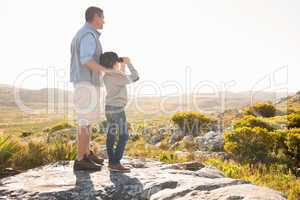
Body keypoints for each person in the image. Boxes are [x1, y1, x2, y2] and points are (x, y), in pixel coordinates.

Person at [70, 6, 107, 171]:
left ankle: (86, 154)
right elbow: (86, 60)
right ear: (95, 17)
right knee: (84, 121)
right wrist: (107, 70)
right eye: (103, 17)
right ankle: (80, 159)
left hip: (86, 83)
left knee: (87, 121)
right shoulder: (88, 35)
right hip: (86, 84)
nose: (104, 21)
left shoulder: (84, 33)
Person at [100, 52, 139, 173]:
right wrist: (129, 63)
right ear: (113, 62)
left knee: (111, 135)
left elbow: (121, 77)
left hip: (109, 108)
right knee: (123, 136)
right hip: (117, 110)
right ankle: (116, 163)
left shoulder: (107, 75)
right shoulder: (117, 76)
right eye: (117, 61)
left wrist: (123, 65)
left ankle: (112, 163)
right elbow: (135, 77)